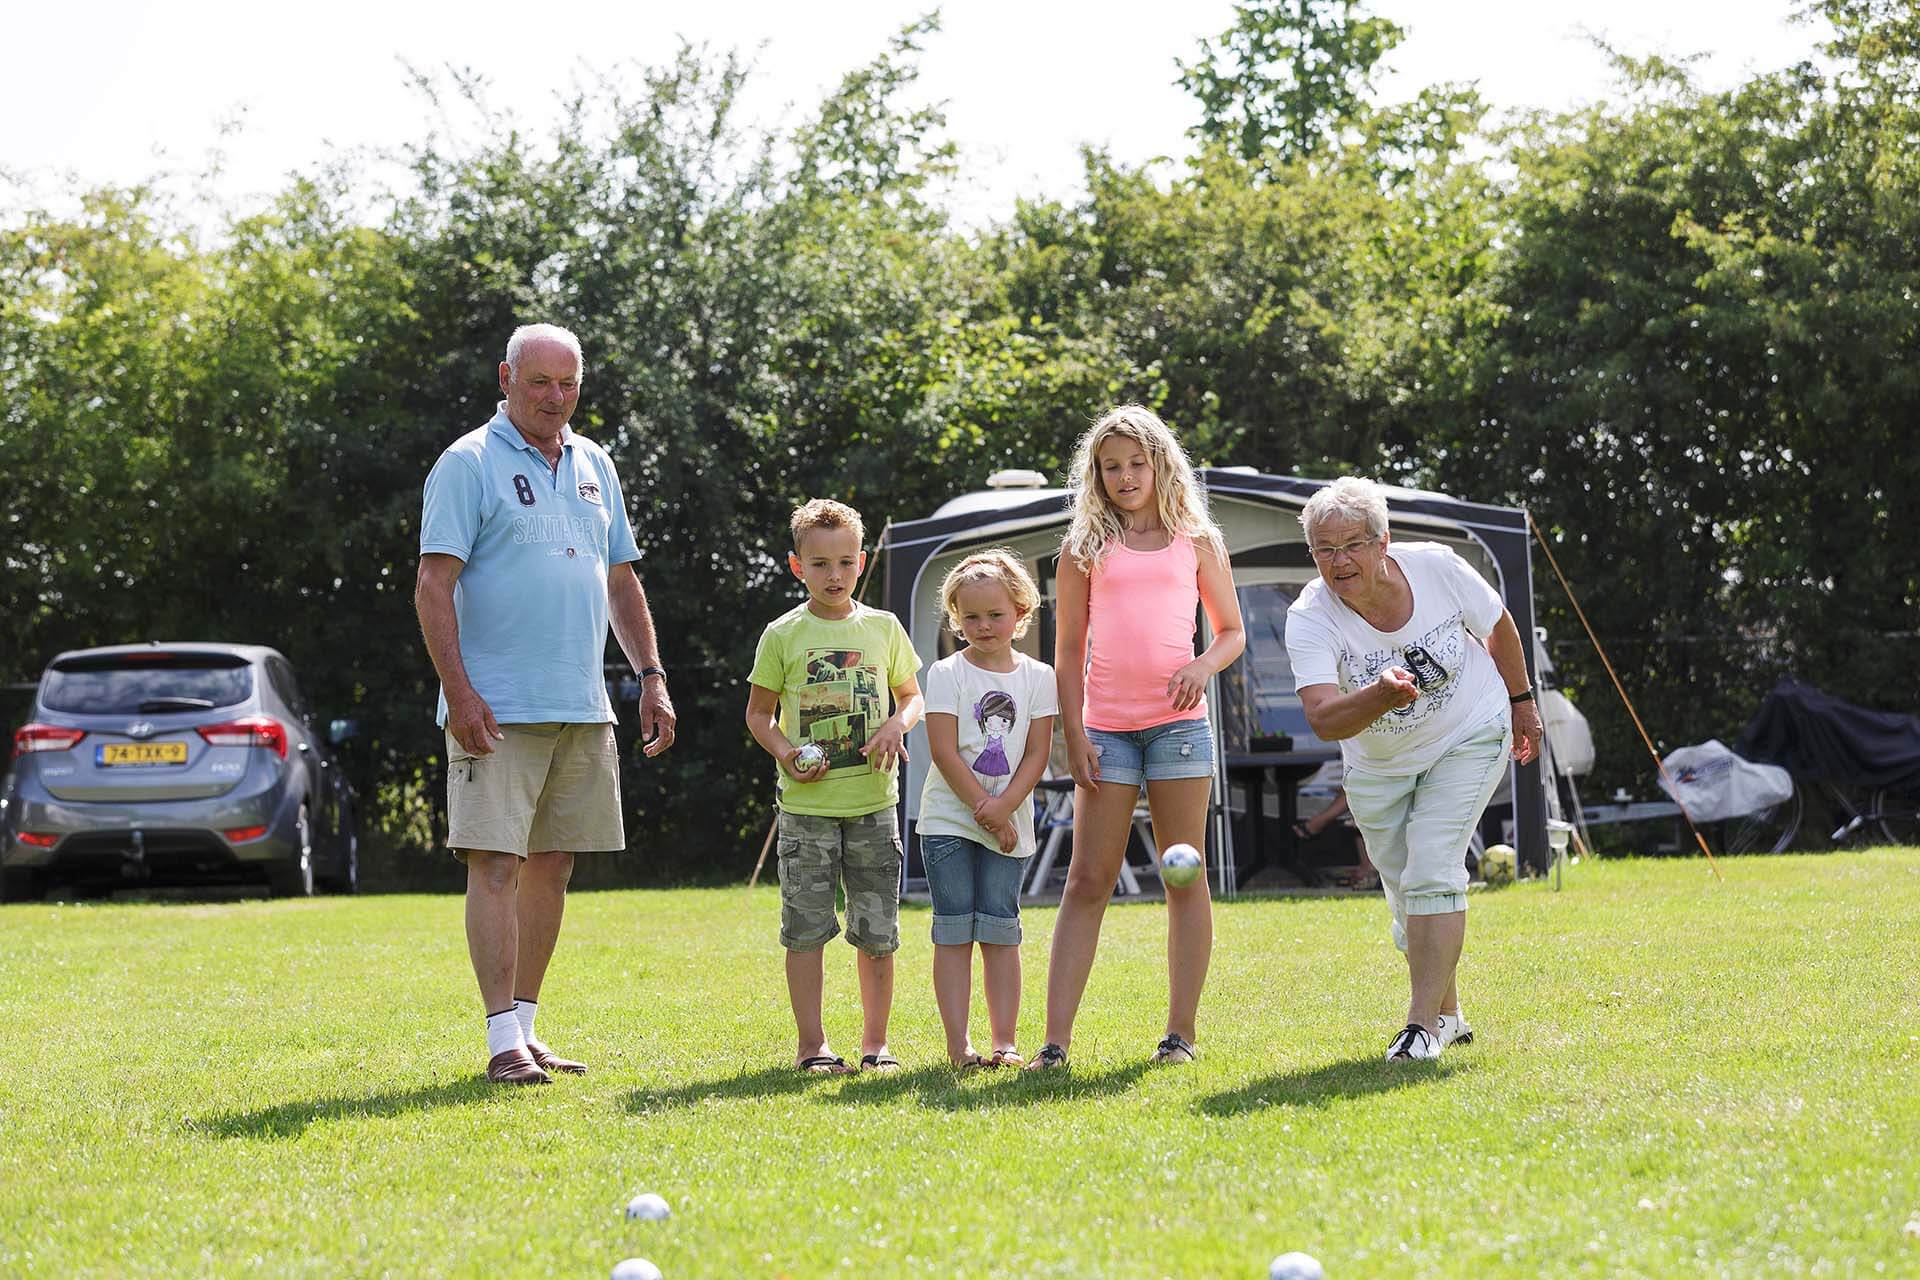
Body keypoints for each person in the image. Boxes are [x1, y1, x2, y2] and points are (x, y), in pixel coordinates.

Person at [416, 323, 676, 1085]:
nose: (556, 398)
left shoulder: (596, 461)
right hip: (494, 707)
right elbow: (433, 586)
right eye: (540, 383)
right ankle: (501, 1041)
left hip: (581, 702)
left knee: (554, 865)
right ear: (506, 377)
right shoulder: (467, 463)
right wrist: (460, 693)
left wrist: (651, 674)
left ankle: (528, 1029)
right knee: (494, 863)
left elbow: (620, 579)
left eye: (569, 384)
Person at [1285, 475, 1543, 1061]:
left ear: (1383, 542)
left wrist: (1523, 702)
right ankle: (1449, 1015)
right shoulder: (1310, 616)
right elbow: (1324, 719)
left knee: (1433, 862)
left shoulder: (1436, 568)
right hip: (1379, 766)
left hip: (1470, 728)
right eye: (1324, 549)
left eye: (1351, 544)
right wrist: (1379, 695)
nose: (1338, 560)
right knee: (1406, 896)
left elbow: (1497, 623)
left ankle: (1420, 1026)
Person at [1029, 405, 1246, 1071]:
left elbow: (1231, 631)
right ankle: (1055, 1045)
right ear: (1094, 476)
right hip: (1107, 733)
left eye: (1135, 462)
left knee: (1185, 874)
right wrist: (1075, 734)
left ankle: (1180, 1035)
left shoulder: (1198, 540)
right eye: (1110, 466)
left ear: (1160, 463)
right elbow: (1067, 651)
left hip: (1179, 730)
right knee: (1088, 879)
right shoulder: (1083, 548)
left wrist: (1202, 664)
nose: (1124, 476)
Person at [745, 499, 924, 1074]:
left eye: (845, 562)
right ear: (798, 567)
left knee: (878, 935)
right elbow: (757, 716)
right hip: (806, 811)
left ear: (861, 562)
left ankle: (876, 1046)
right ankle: (812, 1046)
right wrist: (787, 754)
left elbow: (913, 696)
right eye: (819, 564)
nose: (834, 575)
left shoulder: (883, 628)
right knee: (806, 932)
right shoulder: (782, 634)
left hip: (875, 805)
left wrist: (899, 722)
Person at [918, 550, 1059, 1070]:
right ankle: (960, 1048)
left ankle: (1005, 1043)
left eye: (995, 615)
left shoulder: (1040, 677)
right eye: (970, 616)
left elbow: (1038, 752)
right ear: (956, 617)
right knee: (954, 930)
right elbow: (944, 751)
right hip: (949, 820)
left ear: (1021, 613)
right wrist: (985, 807)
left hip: (1010, 819)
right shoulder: (946, 672)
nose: (983, 626)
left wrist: (1005, 809)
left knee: (1001, 930)